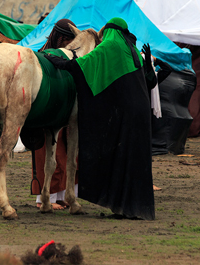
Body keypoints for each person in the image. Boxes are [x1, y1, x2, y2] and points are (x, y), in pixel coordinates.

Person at [45, 17, 156, 220]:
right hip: (141, 116)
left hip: (125, 116)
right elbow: (151, 82)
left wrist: (58, 61)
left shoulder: (111, 46)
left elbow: (83, 66)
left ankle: (124, 207)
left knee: (121, 159)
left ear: (110, 32)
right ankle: (137, 208)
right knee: (136, 161)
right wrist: (148, 65)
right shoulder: (133, 52)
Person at [31, 18, 79, 210]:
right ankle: (45, 199)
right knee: (49, 156)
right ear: (59, 38)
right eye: (67, 39)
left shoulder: (70, 57)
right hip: (46, 115)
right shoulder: (42, 57)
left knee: (67, 157)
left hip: (64, 113)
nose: (69, 44)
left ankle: (62, 197)